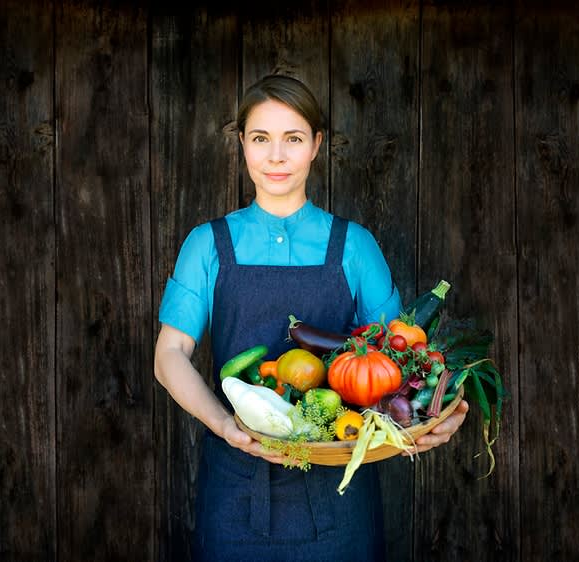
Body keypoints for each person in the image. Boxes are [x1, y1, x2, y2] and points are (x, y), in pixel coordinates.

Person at [154, 74, 469, 562]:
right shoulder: (206, 245)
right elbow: (170, 355)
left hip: (340, 490)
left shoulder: (355, 245)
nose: (276, 156)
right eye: (261, 138)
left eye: (294, 139)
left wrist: (432, 419)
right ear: (242, 144)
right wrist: (224, 424)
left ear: (317, 145)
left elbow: (398, 360)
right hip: (235, 489)